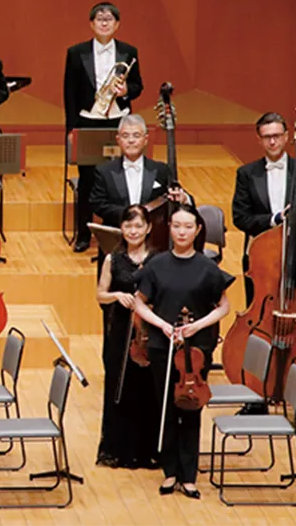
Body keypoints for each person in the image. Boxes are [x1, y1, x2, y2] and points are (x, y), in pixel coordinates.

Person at [131, 205, 235, 499]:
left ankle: (189, 475)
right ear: (170, 228)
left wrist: (197, 326)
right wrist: (162, 325)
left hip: (196, 349)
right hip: (162, 345)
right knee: (164, 406)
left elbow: (224, 307)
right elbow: (139, 303)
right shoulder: (156, 265)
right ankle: (170, 472)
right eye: (176, 226)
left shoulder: (208, 267)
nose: (181, 232)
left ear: (198, 230)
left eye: (188, 227)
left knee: (191, 406)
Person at [65, 3, 146, 253]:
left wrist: (126, 91)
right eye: (99, 20)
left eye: (109, 20)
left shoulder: (128, 51)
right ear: (91, 24)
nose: (104, 23)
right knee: (87, 179)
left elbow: (138, 86)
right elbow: (69, 92)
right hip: (88, 119)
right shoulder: (76, 52)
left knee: (119, 178)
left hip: (118, 120)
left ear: (117, 24)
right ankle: (83, 234)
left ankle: (121, 232)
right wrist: (71, 128)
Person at [231, 112, 296, 300]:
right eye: (267, 137)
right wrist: (276, 219)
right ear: (258, 140)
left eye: (277, 136)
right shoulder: (246, 174)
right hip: (260, 255)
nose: (273, 142)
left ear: (286, 137)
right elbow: (240, 218)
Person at [94, 205, 158, 469]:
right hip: (120, 331)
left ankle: (147, 450)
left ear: (148, 228)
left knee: (146, 389)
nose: (133, 231)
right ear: (121, 228)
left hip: (147, 332)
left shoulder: (158, 259)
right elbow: (100, 294)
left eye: (138, 226)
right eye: (128, 226)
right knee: (117, 389)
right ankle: (117, 449)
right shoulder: (112, 258)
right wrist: (116, 296)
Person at [87, 114, 186, 231]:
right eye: (125, 136)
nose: (131, 140)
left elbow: (178, 195)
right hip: (117, 235)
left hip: (153, 236)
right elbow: (97, 204)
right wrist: (130, 215)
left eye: (136, 135)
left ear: (145, 140)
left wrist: (183, 198)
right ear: (118, 140)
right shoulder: (104, 171)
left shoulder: (161, 169)